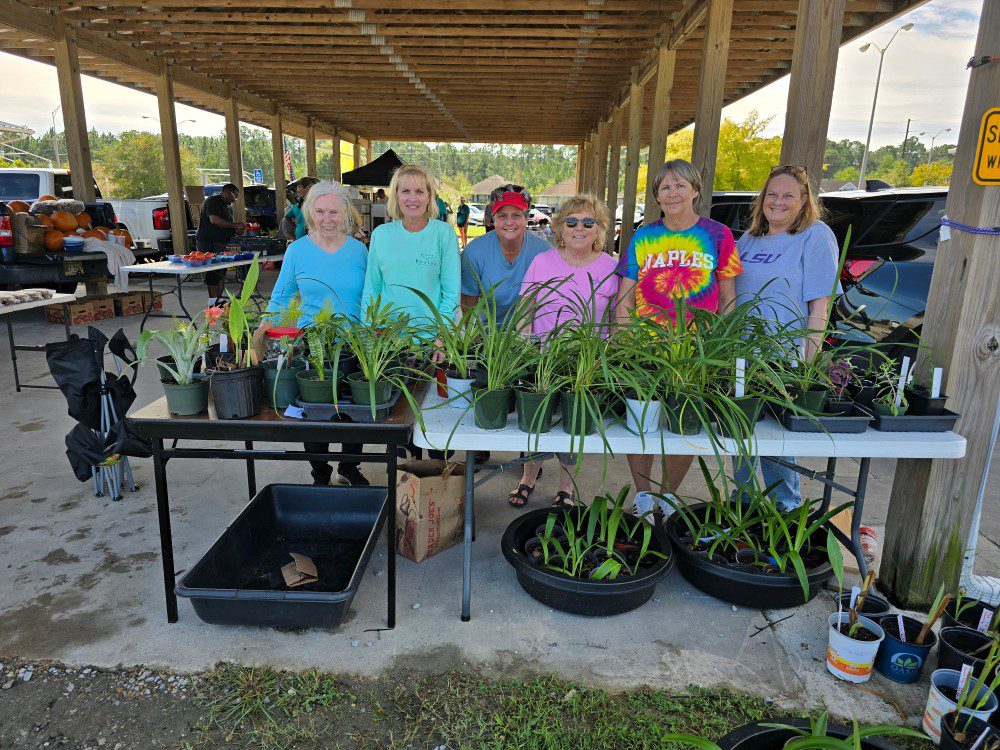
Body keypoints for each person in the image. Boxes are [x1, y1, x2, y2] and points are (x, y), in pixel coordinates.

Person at [614, 159, 742, 514]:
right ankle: (643, 496)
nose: (672, 193)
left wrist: (723, 344)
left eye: (680, 186)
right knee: (642, 423)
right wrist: (624, 341)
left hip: (698, 350)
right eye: (664, 188)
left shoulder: (718, 235)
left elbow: (729, 295)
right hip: (647, 346)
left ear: (696, 191)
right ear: (656, 196)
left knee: (687, 424)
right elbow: (625, 294)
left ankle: (667, 495)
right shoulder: (644, 235)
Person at [732, 165, 839, 511]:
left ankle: (785, 512)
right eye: (772, 194)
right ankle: (743, 507)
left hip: (783, 359)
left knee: (776, 443)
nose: (778, 202)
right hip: (740, 356)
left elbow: (820, 308)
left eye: (788, 195)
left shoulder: (815, 235)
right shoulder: (749, 239)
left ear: (804, 200)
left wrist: (805, 367)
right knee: (741, 439)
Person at [512, 193, 619, 509]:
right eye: (571, 222)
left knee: (575, 425)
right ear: (560, 227)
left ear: (599, 229)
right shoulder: (542, 261)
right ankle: (528, 477)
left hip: (586, 363)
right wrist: (523, 351)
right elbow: (525, 309)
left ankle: (566, 487)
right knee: (537, 420)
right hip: (543, 358)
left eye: (589, 222)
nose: (579, 228)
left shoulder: (611, 267)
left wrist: (610, 355)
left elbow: (615, 318)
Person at [260, 181, 370, 487]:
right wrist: (265, 329)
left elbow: (371, 295)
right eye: (320, 211)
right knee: (315, 411)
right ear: (310, 213)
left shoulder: (360, 250)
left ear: (346, 212)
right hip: (311, 342)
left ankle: (349, 467)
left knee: (352, 411)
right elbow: (281, 296)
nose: (327, 218)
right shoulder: (297, 251)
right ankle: (319, 473)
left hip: (354, 342)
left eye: (334, 211)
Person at [361, 163, 460, 333]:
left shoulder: (444, 233)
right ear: (396, 196)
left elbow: (451, 293)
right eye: (405, 191)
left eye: (419, 191)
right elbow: (372, 289)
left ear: (429, 196)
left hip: (431, 337)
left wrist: (443, 335)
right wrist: (368, 330)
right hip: (387, 336)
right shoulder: (381, 234)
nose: (412, 198)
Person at [460, 184, 549, 324]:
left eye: (516, 215)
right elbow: (468, 306)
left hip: (533, 336)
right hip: (488, 335)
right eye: (502, 216)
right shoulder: (473, 253)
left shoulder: (544, 251)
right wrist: (477, 342)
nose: (509, 222)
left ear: (526, 219)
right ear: (493, 219)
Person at [196, 183, 245, 306]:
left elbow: (224, 224)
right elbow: (214, 220)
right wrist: (235, 225)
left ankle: (218, 300)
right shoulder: (213, 201)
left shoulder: (224, 205)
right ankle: (212, 301)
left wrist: (235, 229)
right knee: (213, 271)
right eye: (234, 196)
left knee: (221, 271)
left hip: (221, 242)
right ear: (227, 191)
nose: (234, 200)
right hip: (209, 242)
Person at [281, 177, 320, 241]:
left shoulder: (315, 205)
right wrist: (296, 225)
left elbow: (286, 217)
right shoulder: (297, 207)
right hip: (304, 236)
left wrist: (297, 226)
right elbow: (286, 217)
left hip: (309, 236)